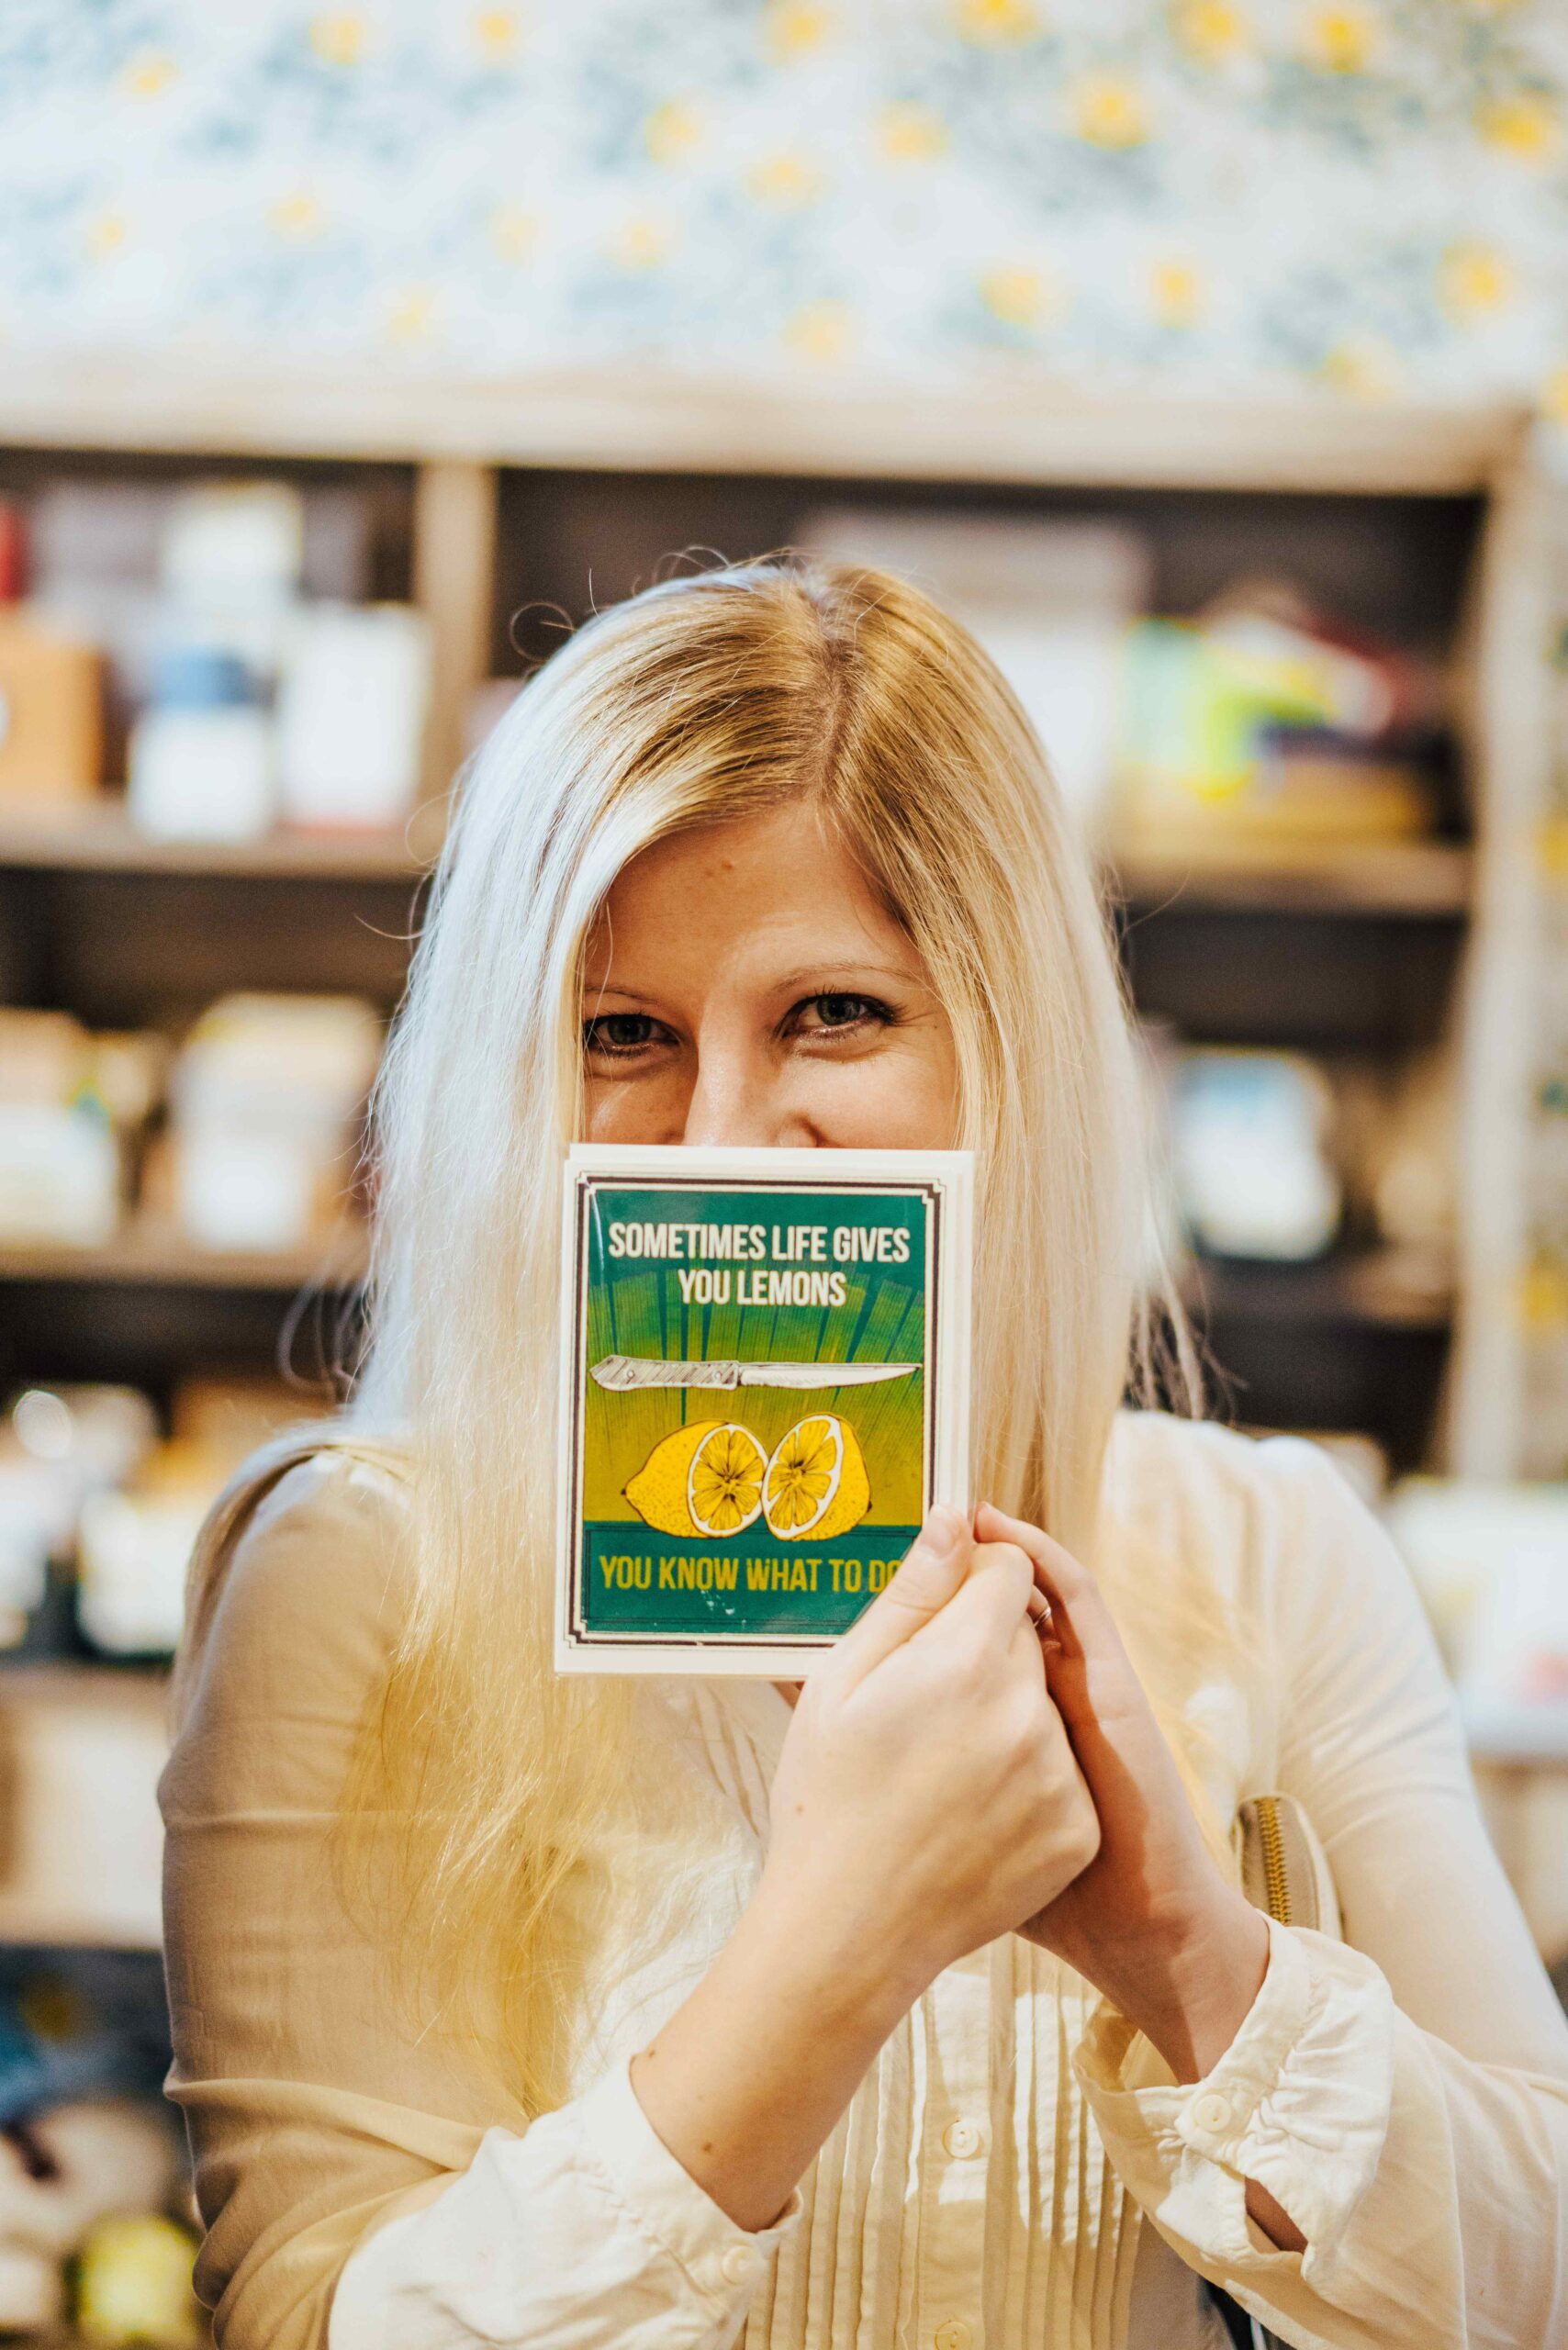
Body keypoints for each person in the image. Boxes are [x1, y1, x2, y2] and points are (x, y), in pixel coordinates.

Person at [160, 555, 1568, 2350]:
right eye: (621, 1034)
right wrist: (830, 1950)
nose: (725, 1134)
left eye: (832, 1013)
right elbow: (309, 2319)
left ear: (1007, 1046)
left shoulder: (1260, 1545)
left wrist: (1188, 1955)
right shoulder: (362, 1568)